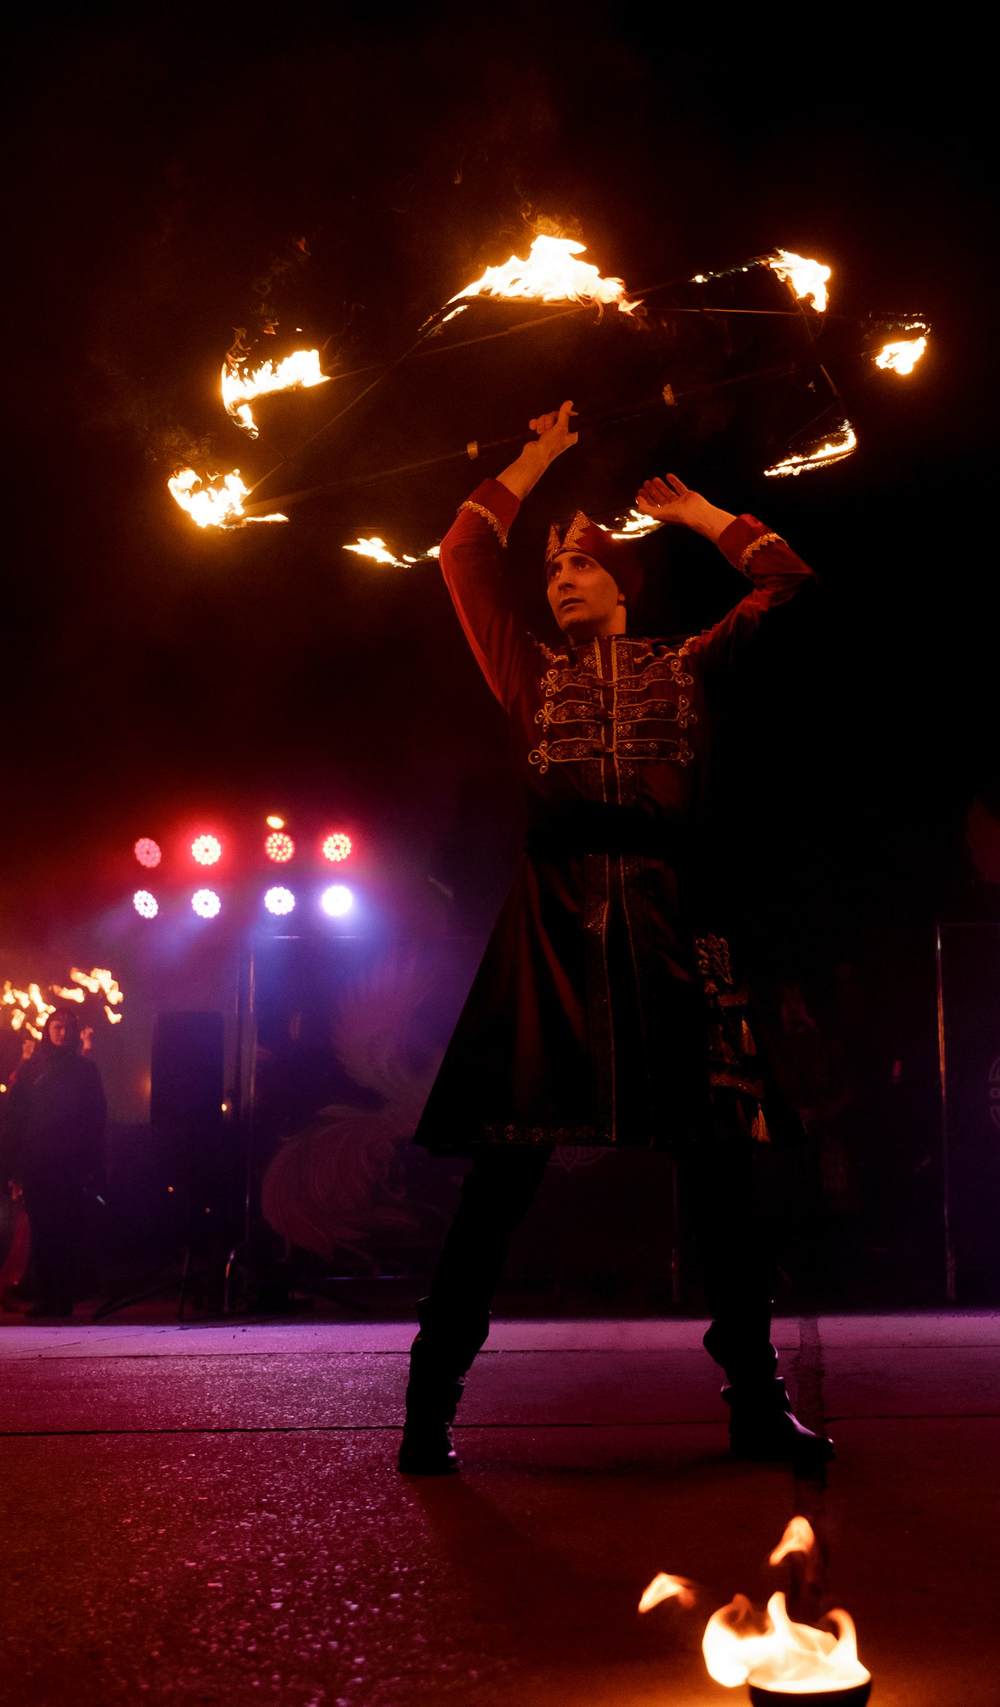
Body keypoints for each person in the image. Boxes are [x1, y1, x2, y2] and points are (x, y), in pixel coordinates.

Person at [400, 398, 826, 1475]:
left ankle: (754, 1405)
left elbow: (788, 586)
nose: (561, 579)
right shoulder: (526, 674)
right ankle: (427, 1409)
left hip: (670, 937)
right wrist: (535, 451)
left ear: (625, 585)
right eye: (551, 572)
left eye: (583, 566)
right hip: (549, 940)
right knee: (500, 1188)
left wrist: (696, 513)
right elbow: (459, 551)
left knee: (721, 1186)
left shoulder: (688, 666)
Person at [1, 1008, 108, 1319]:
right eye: (56, 1026)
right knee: (43, 1231)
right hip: (38, 1162)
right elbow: (16, 1118)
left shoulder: (86, 1070)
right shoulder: (34, 1069)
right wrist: (13, 1165)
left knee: (67, 1233)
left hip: (70, 1163)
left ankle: (63, 1297)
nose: (61, 1032)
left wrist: (93, 1163)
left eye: (66, 1027)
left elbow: (95, 1118)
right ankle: (48, 1296)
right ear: (47, 1029)